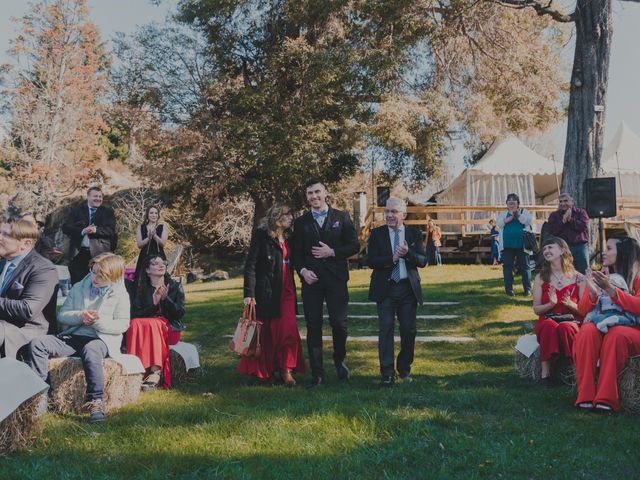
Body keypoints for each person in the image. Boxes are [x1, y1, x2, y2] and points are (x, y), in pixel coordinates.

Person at [27, 253, 130, 423]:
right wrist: (81, 316)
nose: (95, 277)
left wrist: (98, 322)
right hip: (74, 336)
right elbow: (62, 316)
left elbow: (122, 325)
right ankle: (40, 395)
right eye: (93, 271)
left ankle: (96, 401)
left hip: (101, 339)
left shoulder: (120, 294)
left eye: (101, 275)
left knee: (90, 350)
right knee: (38, 343)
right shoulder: (78, 287)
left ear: (113, 276)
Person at [293, 178, 359, 388]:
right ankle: (318, 374)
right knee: (313, 326)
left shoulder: (341, 217)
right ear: (307, 197)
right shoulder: (301, 222)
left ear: (325, 192)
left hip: (336, 279)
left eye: (317, 192)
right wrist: (303, 271)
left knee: (339, 324)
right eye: (310, 193)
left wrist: (333, 252)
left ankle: (339, 360)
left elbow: (354, 245)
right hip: (311, 281)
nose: (314, 196)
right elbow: (296, 254)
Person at [239, 203, 305, 385]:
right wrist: (249, 293)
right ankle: (267, 370)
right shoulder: (262, 235)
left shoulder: (290, 237)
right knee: (268, 332)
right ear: (277, 217)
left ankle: (286, 369)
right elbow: (251, 264)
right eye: (288, 215)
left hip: (288, 289)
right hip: (267, 290)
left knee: (288, 331)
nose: (291, 218)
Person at [573, 237, 640, 412]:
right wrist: (593, 294)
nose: (604, 252)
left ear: (623, 253)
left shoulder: (638, 278)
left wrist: (611, 290)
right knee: (586, 331)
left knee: (616, 335)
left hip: (632, 329)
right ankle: (585, 394)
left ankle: (607, 398)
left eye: (609, 248)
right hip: (599, 323)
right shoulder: (599, 275)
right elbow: (582, 310)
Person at [367, 197, 428, 386]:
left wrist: (407, 253)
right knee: (385, 329)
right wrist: (391, 258)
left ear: (404, 214)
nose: (390, 215)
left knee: (408, 331)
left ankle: (404, 369)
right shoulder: (377, 234)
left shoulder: (414, 234)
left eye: (394, 212)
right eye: (387, 212)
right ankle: (386, 373)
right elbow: (369, 260)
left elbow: (423, 261)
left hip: (407, 289)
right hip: (385, 288)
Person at [0, 216, 58, 358]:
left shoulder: (43, 269)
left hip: (26, 330)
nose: (0, 237)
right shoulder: (2, 262)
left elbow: (28, 309)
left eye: (6, 235)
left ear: (25, 244)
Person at [532, 237, 585, 386]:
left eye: (550, 247)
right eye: (544, 249)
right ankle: (545, 374)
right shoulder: (541, 278)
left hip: (572, 320)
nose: (546, 251)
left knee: (566, 327)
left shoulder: (579, 278)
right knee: (549, 326)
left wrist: (571, 305)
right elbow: (536, 309)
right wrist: (550, 304)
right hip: (548, 318)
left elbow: (586, 311)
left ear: (562, 250)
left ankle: (573, 371)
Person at [127, 255, 185, 390]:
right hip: (146, 329)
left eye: (163, 263)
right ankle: (137, 369)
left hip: (170, 328)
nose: (161, 265)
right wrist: (154, 304)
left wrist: (165, 299)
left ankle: (155, 371)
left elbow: (179, 314)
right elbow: (135, 314)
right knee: (135, 323)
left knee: (154, 323)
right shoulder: (141, 289)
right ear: (147, 270)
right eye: (155, 263)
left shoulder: (175, 287)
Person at [63, 186, 117, 285]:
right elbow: (66, 228)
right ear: (88, 197)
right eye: (95, 196)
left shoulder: (108, 212)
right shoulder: (76, 211)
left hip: (100, 254)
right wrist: (83, 231)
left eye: (100, 196)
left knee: (99, 283)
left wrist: (96, 230)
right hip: (79, 254)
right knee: (77, 285)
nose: (98, 199)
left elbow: (111, 231)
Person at [496, 193, 534, 297]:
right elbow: (499, 224)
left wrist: (518, 216)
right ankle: (509, 290)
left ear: (518, 203)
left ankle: (527, 289)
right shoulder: (503, 214)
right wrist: (510, 218)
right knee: (507, 267)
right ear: (507, 204)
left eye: (514, 200)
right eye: (509, 201)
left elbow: (528, 222)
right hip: (507, 245)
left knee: (525, 267)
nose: (511, 202)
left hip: (522, 244)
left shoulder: (524, 212)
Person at [546, 193, 590, 274]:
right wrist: (563, 221)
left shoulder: (581, 213)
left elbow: (583, 227)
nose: (563, 203)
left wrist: (570, 220)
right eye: (560, 201)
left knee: (584, 272)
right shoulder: (554, 215)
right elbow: (552, 231)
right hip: (562, 249)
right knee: (564, 272)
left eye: (566, 201)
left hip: (580, 247)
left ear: (572, 201)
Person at [134, 206, 168, 281]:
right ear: (147, 215)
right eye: (151, 213)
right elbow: (139, 244)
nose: (154, 215)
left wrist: (155, 236)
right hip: (144, 257)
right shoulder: (140, 227)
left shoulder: (163, 227)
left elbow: (163, 243)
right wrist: (148, 238)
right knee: (142, 279)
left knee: (160, 279)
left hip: (159, 256)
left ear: (158, 215)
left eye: (156, 213)